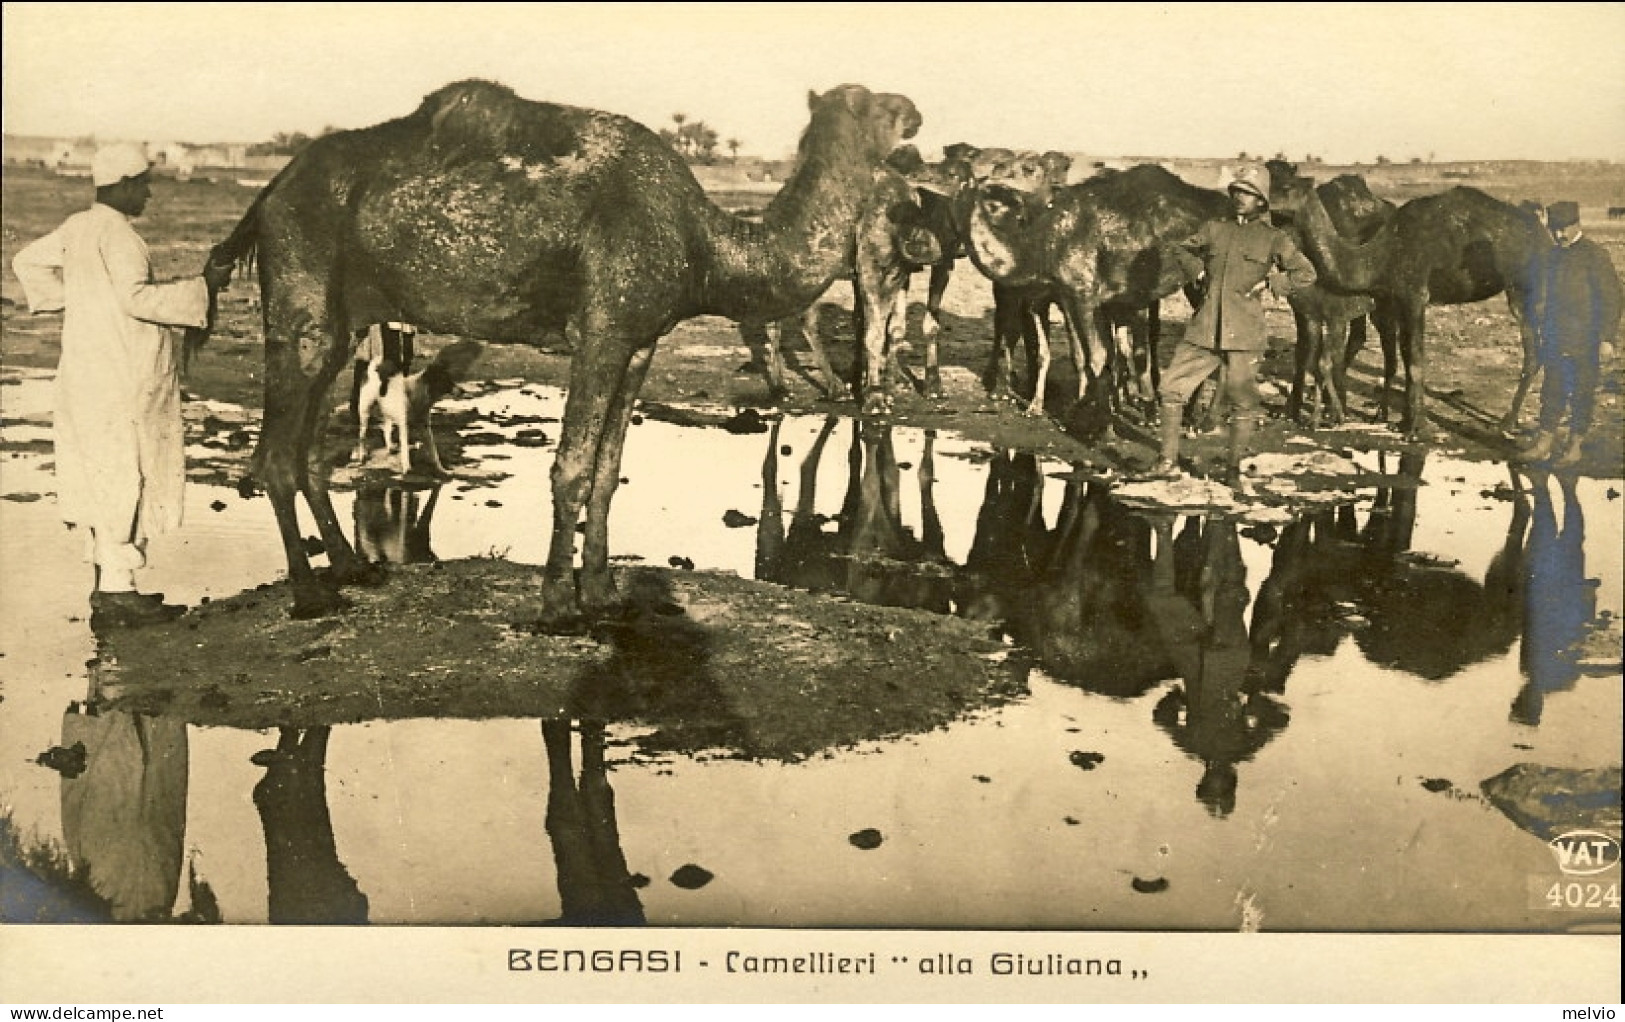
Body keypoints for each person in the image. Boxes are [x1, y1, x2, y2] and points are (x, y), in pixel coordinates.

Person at [11, 143, 233, 627]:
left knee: (100, 472)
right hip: (123, 379)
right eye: (144, 184)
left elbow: (26, 262)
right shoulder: (119, 235)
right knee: (124, 473)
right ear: (125, 184)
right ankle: (116, 594)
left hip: (85, 374)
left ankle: (111, 584)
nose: (149, 194)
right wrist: (205, 287)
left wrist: (83, 296)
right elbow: (135, 299)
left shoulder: (77, 227)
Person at [1151, 162, 1317, 483]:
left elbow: (1306, 273)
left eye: (1249, 193)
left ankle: (1232, 471)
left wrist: (1272, 284)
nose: (1241, 197)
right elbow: (1181, 248)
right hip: (1205, 328)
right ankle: (1166, 462)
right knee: (1171, 389)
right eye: (1238, 191)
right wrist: (1197, 270)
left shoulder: (1273, 239)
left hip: (1244, 333)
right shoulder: (1215, 228)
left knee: (1243, 402)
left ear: (1261, 202)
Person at [1516, 201, 1623, 468]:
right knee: (1552, 387)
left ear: (1577, 224)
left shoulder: (1595, 255)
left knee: (1582, 389)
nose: (1559, 235)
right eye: (1554, 230)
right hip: (1556, 334)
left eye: (1563, 229)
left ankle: (1574, 445)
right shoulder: (1553, 256)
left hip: (1587, 338)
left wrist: (1607, 338)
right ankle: (1544, 442)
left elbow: (1612, 298)